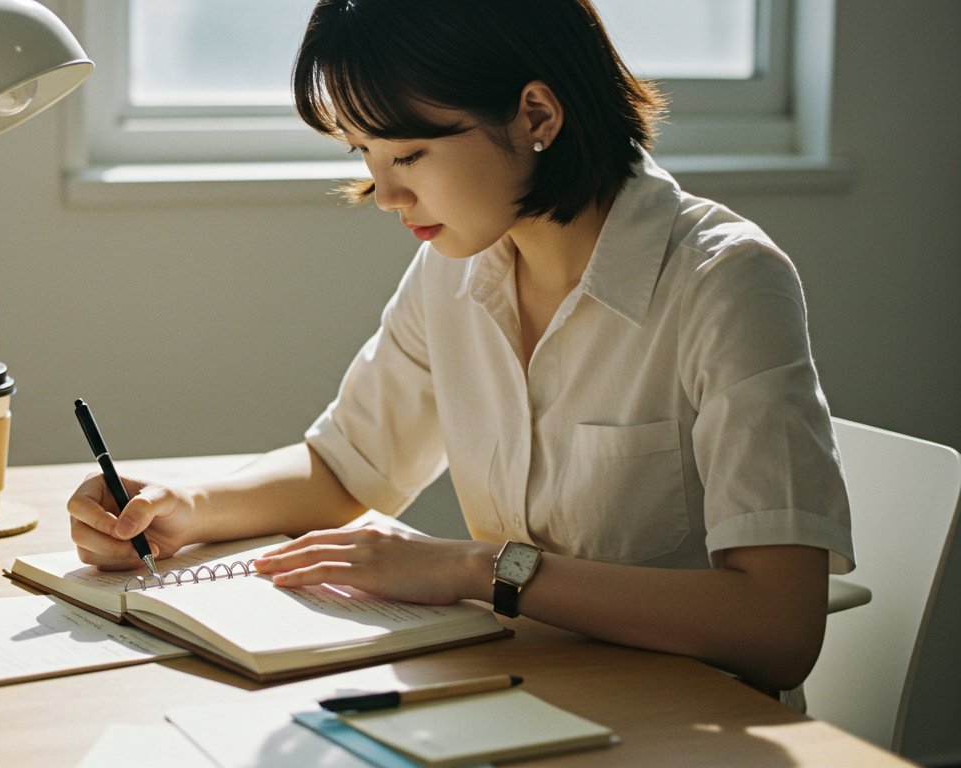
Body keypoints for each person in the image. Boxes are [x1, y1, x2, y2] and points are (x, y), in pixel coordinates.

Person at [67, 0, 853, 698]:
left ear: (537, 115)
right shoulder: (458, 265)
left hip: (677, 721)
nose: (385, 195)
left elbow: (778, 631)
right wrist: (184, 508)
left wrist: (479, 568)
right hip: (520, 693)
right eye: (364, 157)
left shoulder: (725, 280)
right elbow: (349, 464)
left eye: (408, 155)